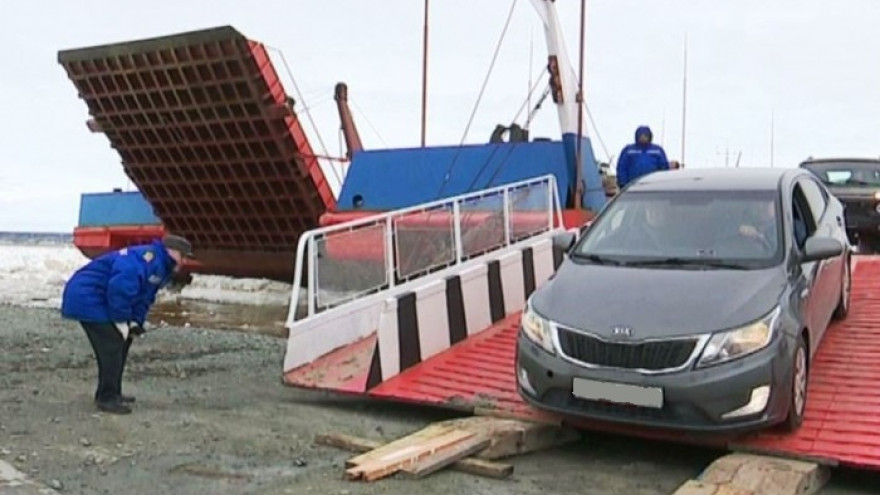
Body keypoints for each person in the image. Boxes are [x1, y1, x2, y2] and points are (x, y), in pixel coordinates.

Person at [61, 234, 196, 414]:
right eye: (183, 256)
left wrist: (135, 322)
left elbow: (144, 297)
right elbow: (120, 288)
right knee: (112, 344)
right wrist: (120, 320)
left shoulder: (161, 266)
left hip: (101, 298)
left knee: (122, 342)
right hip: (87, 297)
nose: (185, 261)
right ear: (172, 251)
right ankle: (106, 398)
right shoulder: (144, 260)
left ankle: (113, 392)